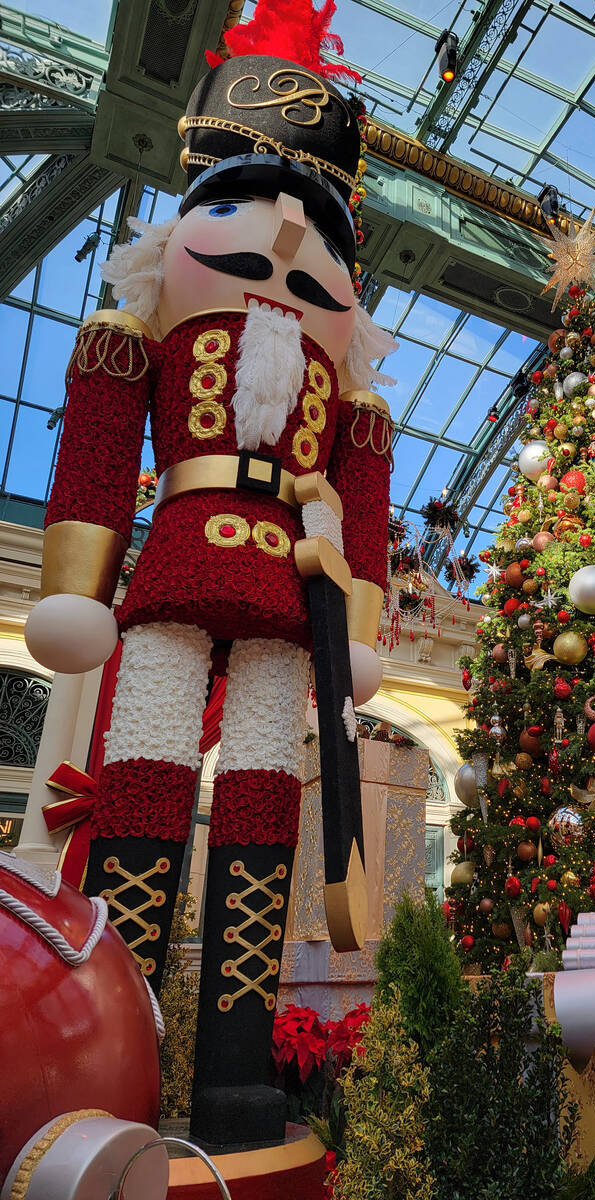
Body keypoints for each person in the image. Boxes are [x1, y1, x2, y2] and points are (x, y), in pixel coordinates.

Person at [24, 4, 396, 1149]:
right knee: (138, 788)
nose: (287, 238)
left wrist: (364, 621)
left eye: (320, 230)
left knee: (260, 812)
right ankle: (115, 1041)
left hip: (297, 596)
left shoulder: (356, 402)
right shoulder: (133, 333)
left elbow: (366, 508)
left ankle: (238, 1066)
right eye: (238, 206)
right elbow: (95, 450)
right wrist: (78, 581)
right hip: (178, 564)